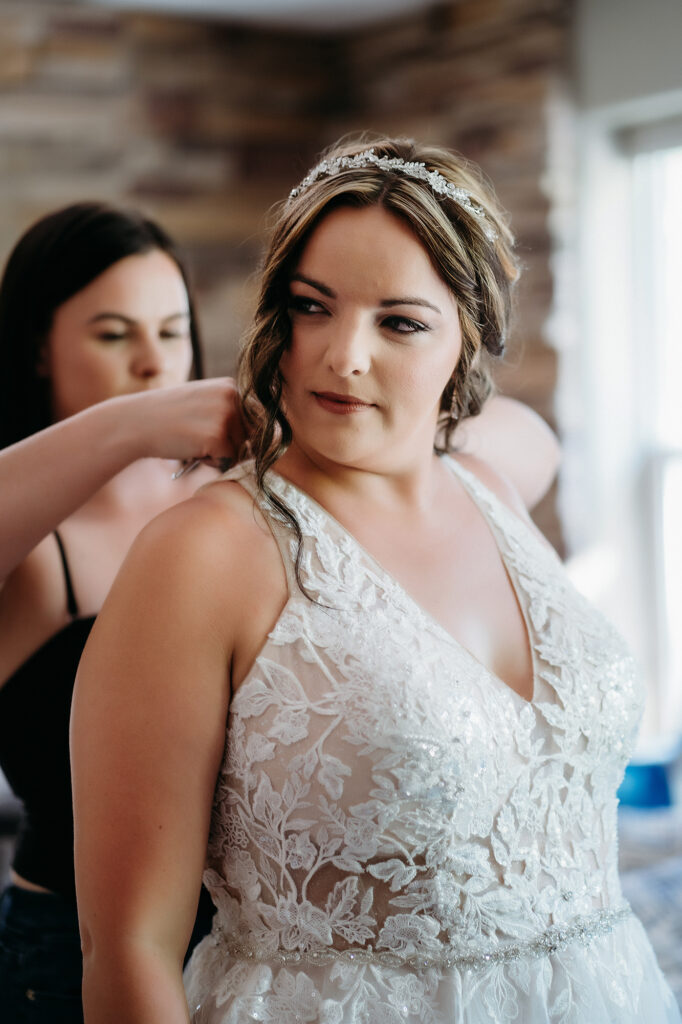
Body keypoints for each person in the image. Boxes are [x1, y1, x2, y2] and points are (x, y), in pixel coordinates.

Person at [70, 134, 677, 1024]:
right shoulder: (207, 552)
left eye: (399, 322)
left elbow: (521, 430)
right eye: (314, 307)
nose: (340, 356)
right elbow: (128, 949)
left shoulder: (493, 485)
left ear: (468, 336)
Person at [0, 201, 244, 1021]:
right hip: (66, 956)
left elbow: (521, 439)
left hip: (258, 948)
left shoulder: (242, 503)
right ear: (39, 348)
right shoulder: (35, 550)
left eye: (172, 332)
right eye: (114, 335)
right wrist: (128, 427)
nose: (153, 362)